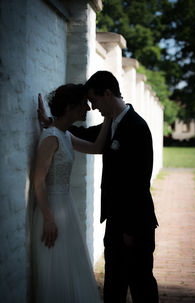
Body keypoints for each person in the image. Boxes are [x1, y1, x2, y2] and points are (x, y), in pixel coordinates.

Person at [38, 71, 159, 303]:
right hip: (115, 221)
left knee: (141, 285)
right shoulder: (111, 124)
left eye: (94, 100)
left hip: (135, 224)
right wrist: (51, 123)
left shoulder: (137, 127)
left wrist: (130, 231)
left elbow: (139, 182)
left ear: (107, 93)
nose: (92, 107)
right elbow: (79, 135)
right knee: (114, 286)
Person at [33, 83, 110, 303]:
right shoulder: (51, 137)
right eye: (82, 105)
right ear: (69, 107)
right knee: (56, 270)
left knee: (70, 265)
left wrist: (110, 119)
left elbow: (96, 148)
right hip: (52, 211)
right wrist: (48, 218)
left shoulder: (65, 135)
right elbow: (38, 180)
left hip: (66, 208)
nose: (87, 109)